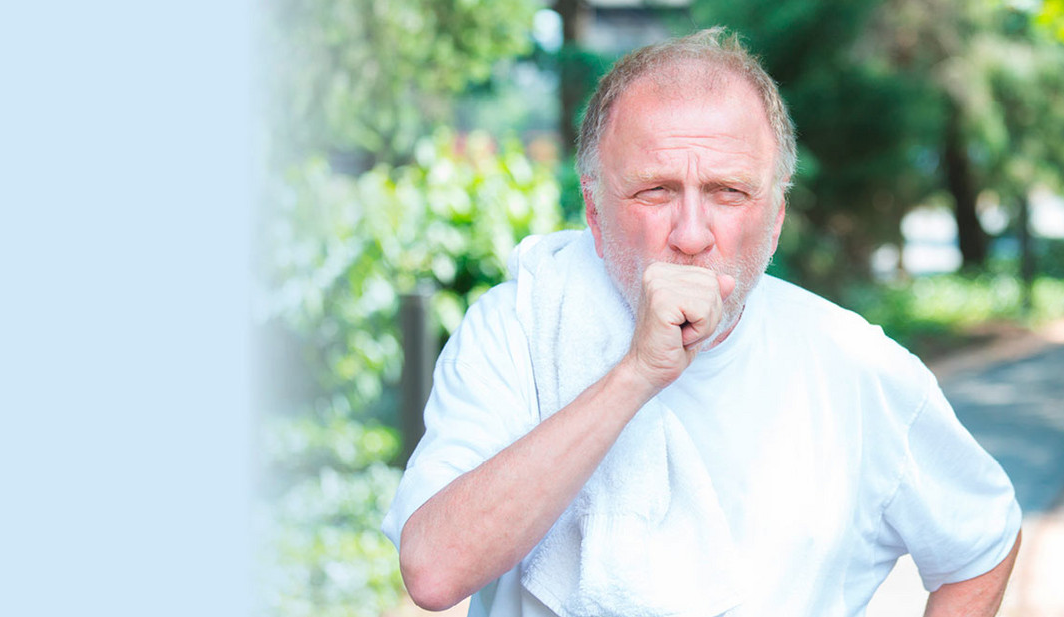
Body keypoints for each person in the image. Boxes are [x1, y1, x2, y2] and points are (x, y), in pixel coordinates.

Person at [382, 27, 1022, 617]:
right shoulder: (519, 327)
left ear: (774, 220)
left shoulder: (857, 367)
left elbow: (980, 544)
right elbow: (434, 572)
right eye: (655, 190)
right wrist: (636, 374)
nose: (690, 235)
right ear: (596, 213)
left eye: (728, 193)